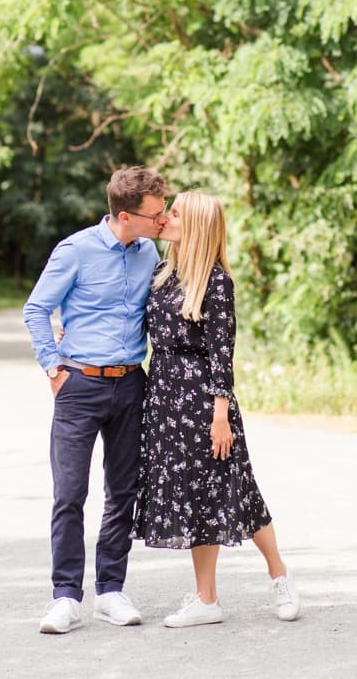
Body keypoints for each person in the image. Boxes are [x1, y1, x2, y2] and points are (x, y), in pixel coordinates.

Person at [131, 190, 301, 627]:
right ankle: (207, 599)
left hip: (205, 402)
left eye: (176, 213)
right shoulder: (162, 272)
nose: (166, 218)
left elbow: (221, 352)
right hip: (165, 399)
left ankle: (279, 575)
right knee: (194, 498)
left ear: (198, 225)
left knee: (236, 491)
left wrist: (220, 414)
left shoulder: (217, 282)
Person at [24, 165, 168, 634]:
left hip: (131, 384)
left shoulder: (150, 251)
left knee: (122, 492)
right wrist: (52, 366)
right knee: (70, 494)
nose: (161, 221)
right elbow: (37, 308)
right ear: (125, 216)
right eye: (154, 215)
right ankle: (65, 597)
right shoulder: (77, 250)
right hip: (80, 385)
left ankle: (111, 589)